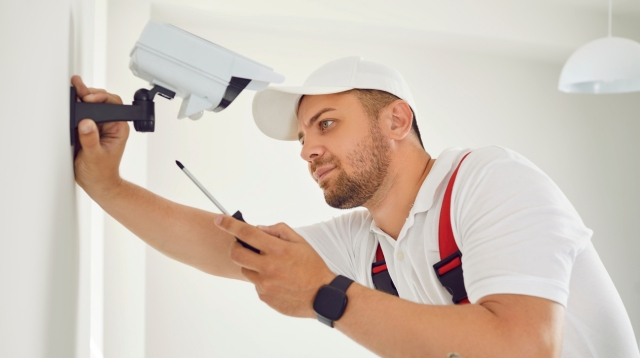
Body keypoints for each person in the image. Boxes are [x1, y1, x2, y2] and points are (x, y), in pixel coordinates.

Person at [72, 56, 639, 357]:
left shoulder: (487, 179)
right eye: (302, 139)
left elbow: (524, 349)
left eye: (326, 124)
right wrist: (107, 185)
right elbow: (229, 249)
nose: (309, 149)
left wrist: (326, 294)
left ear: (397, 119)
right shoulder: (367, 245)